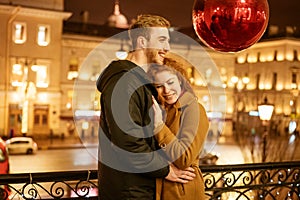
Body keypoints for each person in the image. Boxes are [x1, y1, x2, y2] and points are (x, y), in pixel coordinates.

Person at [96, 14, 195, 200]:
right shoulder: (124, 82)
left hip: (135, 188)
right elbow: (129, 143)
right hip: (129, 192)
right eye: (162, 40)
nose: (167, 48)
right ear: (142, 41)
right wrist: (166, 171)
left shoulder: (136, 80)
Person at [148, 53, 209, 200]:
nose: (166, 90)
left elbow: (185, 158)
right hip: (159, 187)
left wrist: (158, 126)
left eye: (170, 82)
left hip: (183, 190)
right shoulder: (160, 109)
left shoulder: (194, 109)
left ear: (181, 81)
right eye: (159, 86)